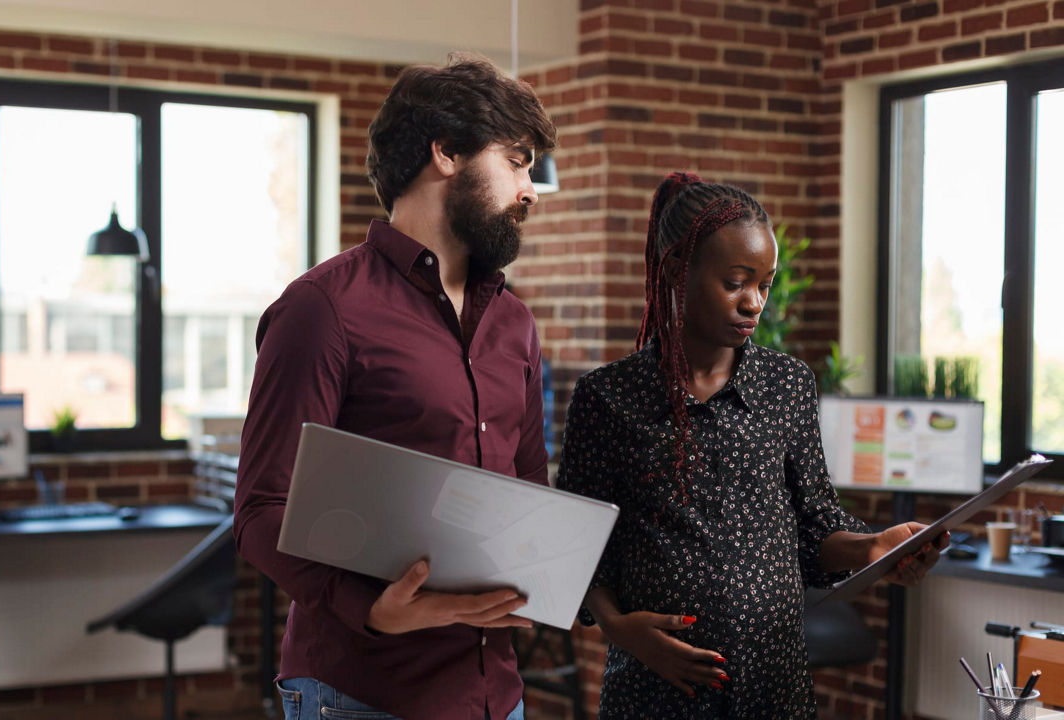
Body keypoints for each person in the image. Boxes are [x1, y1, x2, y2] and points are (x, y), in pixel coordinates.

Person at [233, 53, 556, 720]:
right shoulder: (321, 310)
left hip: (496, 694)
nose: (530, 190)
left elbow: (529, 495)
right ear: (446, 154)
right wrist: (372, 610)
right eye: (517, 161)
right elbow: (262, 510)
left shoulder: (516, 324)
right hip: (361, 693)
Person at [555, 172, 948, 719]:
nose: (755, 302)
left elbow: (814, 528)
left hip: (775, 689)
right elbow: (576, 546)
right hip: (657, 692)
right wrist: (621, 631)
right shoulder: (608, 398)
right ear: (675, 271)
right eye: (736, 281)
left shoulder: (788, 386)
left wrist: (872, 547)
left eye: (765, 283)